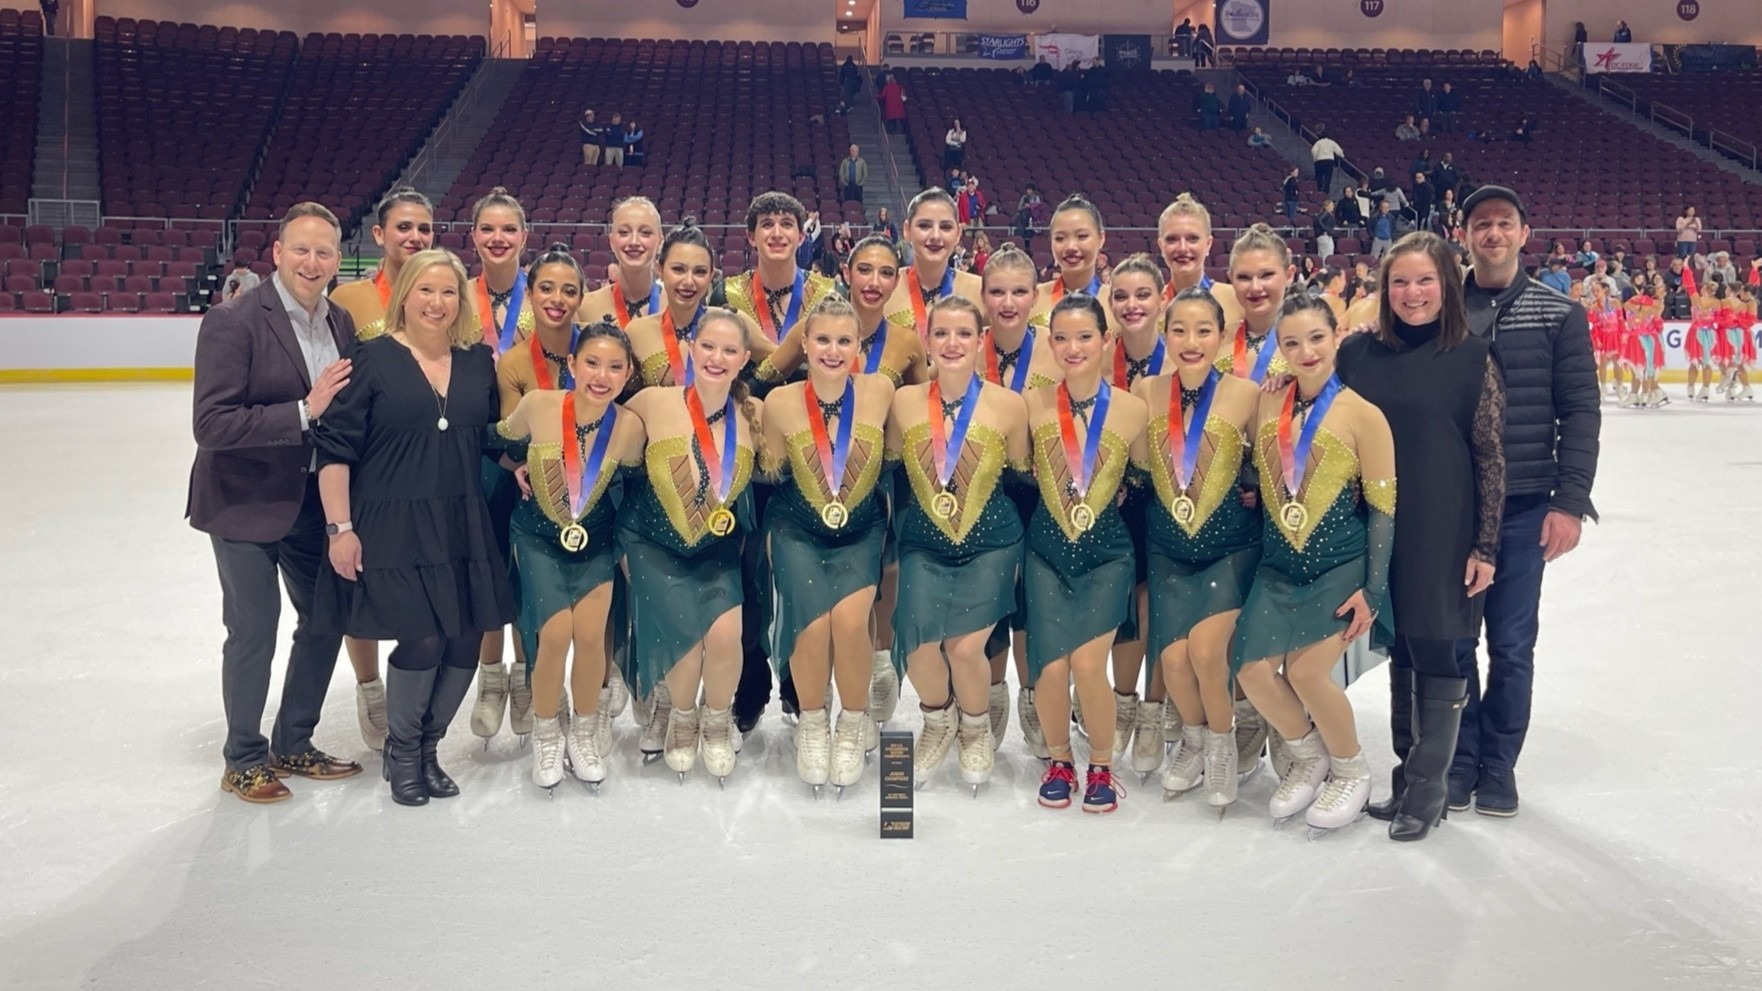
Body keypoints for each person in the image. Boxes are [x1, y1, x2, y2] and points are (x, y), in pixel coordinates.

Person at [314, 248, 515, 806]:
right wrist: (339, 529)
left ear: (461, 300)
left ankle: (429, 747)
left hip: (459, 518)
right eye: (425, 290)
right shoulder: (371, 358)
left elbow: (487, 438)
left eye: (448, 291)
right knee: (422, 636)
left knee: (466, 636)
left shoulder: (477, 362)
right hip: (390, 520)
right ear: (405, 295)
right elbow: (335, 451)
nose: (437, 302)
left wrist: (519, 467)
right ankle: (402, 751)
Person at [1338, 232, 1506, 842]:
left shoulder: (1472, 357)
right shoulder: (1357, 356)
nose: (1412, 294)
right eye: (1400, 282)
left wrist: (1485, 546)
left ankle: (1430, 792)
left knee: (1437, 647)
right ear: (1384, 290)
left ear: (1447, 285)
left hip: (1444, 526)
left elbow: (1490, 456)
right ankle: (1407, 778)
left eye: (1425, 281)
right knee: (1402, 649)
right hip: (1378, 528)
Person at [190, 202, 360, 804]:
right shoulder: (234, 321)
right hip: (244, 503)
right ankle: (242, 757)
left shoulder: (341, 322)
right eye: (302, 249)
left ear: (338, 260)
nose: (313, 262)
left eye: (324, 251)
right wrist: (302, 410)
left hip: (312, 502)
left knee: (325, 619)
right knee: (254, 630)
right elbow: (210, 424)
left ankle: (293, 741)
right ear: (278, 254)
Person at [1454, 185, 1600, 817]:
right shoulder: (1441, 307)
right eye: (1481, 224)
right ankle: (1458, 759)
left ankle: (1497, 762)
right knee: (1456, 643)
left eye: (1503, 224)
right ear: (1463, 235)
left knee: (1511, 644)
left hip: (1523, 508)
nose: (1492, 234)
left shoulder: (1557, 312)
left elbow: (1581, 412)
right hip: (1454, 511)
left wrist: (1569, 502)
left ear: (1524, 232)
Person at [1231, 294, 1396, 833]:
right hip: (1279, 565)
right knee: (1251, 669)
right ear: (1279, 349)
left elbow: (1383, 510)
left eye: (1317, 338)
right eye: (1292, 342)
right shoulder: (1266, 403)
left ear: (1336, 339)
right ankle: (1308, 754)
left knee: (1305, 671)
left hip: (1341, 566)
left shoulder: (1364, 415)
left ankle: (1351, 767)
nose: (1306, 351)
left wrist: (1373, 590)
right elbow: (1260, 470)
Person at [495, 315, 646, 791]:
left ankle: (582, 730)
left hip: (597, 540)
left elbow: (639, 487)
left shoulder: (630, 428)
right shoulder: (539, 405)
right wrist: (515, 466)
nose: (602, 376)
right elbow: (495, 441)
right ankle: (545, 733)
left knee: (589, 634)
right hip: (538, 536)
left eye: (615, 367)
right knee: (555, 634)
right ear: (573, 364)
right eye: (593, 363)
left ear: (628, 375)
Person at [888, 296, 1030, 791]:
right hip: (926, 540)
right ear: (927, 341)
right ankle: (938, 718)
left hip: (991, 539)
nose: (952, 343)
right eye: (941, 333)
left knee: (966, 648)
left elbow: (1023, 475)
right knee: (917, 644)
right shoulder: (902, 403)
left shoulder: (1010, 406)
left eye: (963, 334)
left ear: (980, 341)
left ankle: (975, 729)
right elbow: (883, 466)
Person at [760, 296, 896, 793]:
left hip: (860, 528)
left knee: (850, 621)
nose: (833, 350)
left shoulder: (881, 391)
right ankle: (814, 723)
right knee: (813, 626)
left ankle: (854, 720)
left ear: (860, 346)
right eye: (822, 339)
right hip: (797, 525)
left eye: (844, 340)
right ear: (804, 344)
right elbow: (769, 470)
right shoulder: (779, 402)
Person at [619, 308, 762, 782]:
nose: (716, 358)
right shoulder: (651, 402)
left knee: (724, 636)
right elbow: (599, 438)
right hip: (653, 542)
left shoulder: (755, 414)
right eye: (707, 346)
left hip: (716, 548)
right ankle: (681, 716)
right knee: (683, 640)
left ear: (743, 359)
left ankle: (717, 721)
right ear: (689, 350)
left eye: (728, 350)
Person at [1018, 294, 1149, 813]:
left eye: (1085, 337)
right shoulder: (1031, 404)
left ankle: (1100, 764)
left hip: (1106, 554)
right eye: (1063, 338)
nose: (1074, 348)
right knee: (1050, 668)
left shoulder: (1133, 408)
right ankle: (1057, 760)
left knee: (1090, 666)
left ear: (1105, 340)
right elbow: (1015, 464)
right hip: (1047, 550)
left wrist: (1111, 490)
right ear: (1050, 344)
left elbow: (1141, 472)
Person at [1134, 286, 1263, 808]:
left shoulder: (1249, 393)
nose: (1191, 341)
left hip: (1230, 544)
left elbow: (1275, 455)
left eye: (1203, 330)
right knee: (1171, 658)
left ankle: (1223, 743)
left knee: (1207, 652)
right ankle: (1191, 736)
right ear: (1164, 336)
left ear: (1224, 336)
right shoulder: (1144, 392)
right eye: (1180, 330)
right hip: (1168, 546)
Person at [326, 186, 436, 747]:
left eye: (423, 228)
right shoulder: (347, 298)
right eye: (403, 228)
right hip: (368, 461)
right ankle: (369, 688)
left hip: (422, 461)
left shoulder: (442, 290)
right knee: (361, 586)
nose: (414, 237)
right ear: (378, 235)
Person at [456, 188, 542, 742]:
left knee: (528, 565)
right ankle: (490, 678)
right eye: (488, 229)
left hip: (531, 452)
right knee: (485, 562)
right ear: (473, 236)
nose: (498, 238)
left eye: (508, 229)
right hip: (471, 448)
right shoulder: (456, 295)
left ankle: (527, 673)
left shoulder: (548, 296)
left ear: (524, 236)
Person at [1102, 255, 1172, 774]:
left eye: (1142, 295)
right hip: (1114, 497)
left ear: (1161, 298)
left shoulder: (1188, 355)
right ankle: (1123, 702)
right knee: (1128, 605)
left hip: (1173, 497)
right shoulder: (1098, 357)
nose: (1132, 305)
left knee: (1158, 607)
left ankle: (1153, 710)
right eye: (1121, 296)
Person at [626, 220, 769, 391]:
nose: (688, 281)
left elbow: (779, 363)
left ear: (711, 275)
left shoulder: (732, 323)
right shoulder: (636, 332)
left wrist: (747, 392)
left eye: (699, 272)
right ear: (660, 270)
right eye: (678, 269)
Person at [885, 188, 984, 343]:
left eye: (945, 227)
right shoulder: (884, 288)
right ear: (907, 230)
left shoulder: (981, 291)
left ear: (958, 233)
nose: (935, 236)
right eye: (924, 226)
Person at [1222, 224, 1295, 388]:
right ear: (1231, 279)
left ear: (1289, 275)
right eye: (1244, 277)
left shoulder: (1312, 342)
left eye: (1266, 275)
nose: (1255, 287)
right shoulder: (1217, 339)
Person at [577, 196, 665, 329]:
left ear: (660, 241)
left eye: (645, 232)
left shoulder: (677, 306)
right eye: (624, 232)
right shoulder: (585, 308)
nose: (634, 242)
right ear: (611, 241)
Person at [1033, 195, 1112, 326]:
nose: (1071, 247)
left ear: (1101, 238)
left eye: (1082, 236)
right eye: (1060, 238)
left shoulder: (1120, 304)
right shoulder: (1032, 300)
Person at [1310, 126, 1344, 193]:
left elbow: (1313, 151)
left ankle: (1319, 190)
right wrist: (1342, 156)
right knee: (1328, 177)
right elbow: (1339, 151)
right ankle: (1326, 191)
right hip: (1329, 161)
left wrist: (1315, 159)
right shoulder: (1331, 142)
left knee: (1319, 176)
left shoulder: (1318, 142)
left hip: (1319, 161)